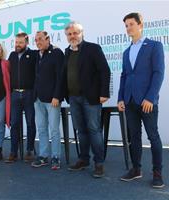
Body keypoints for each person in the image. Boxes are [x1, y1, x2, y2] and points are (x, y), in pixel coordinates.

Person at [118, 12, 165, 188]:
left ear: (140, 25)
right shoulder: (126, 52)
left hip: (147, 101)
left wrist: (150, 98)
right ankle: (136, 169)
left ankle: (157, 173)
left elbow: (158, 73)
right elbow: (124, 76)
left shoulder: (154, 46)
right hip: (129, 101)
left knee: (153, 137)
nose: (128, 28)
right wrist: (121, 98)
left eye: (131, 24)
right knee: (134, 138)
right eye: (126, 25)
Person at [63, 21, 111, 178]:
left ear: (82, 33)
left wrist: (104, 93)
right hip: (73, 98)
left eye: (75, 33)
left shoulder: (93, 48)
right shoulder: (67, 52)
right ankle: (84, 159)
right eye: (69, 34)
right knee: (81, 130)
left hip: (90, 98)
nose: (72, 36)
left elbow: (105, 70)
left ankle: (99, 163)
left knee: (93, 130)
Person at [31, 31, 64, 170]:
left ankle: (56, 157)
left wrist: (57, 96)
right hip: (37, 99)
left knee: (54, 130)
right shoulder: (37, 55)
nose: (38, 42)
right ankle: (43, 156)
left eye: (40, 39)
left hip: (52, 100)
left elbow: (60, 76)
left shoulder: (57, 52)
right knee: (42, 129)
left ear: (48, 39)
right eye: (36, 40)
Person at [5, 33, 37, 163]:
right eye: (16, 42)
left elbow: (37, 73)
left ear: (27, 43)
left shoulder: (33, 55)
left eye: (20, 42)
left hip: (29, 94)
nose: (18, 45)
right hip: (15, 95)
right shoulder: (12, 55)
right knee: (15, 124)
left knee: (30, 123)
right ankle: (13, 152)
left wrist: (34, 93)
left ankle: (29, 150)